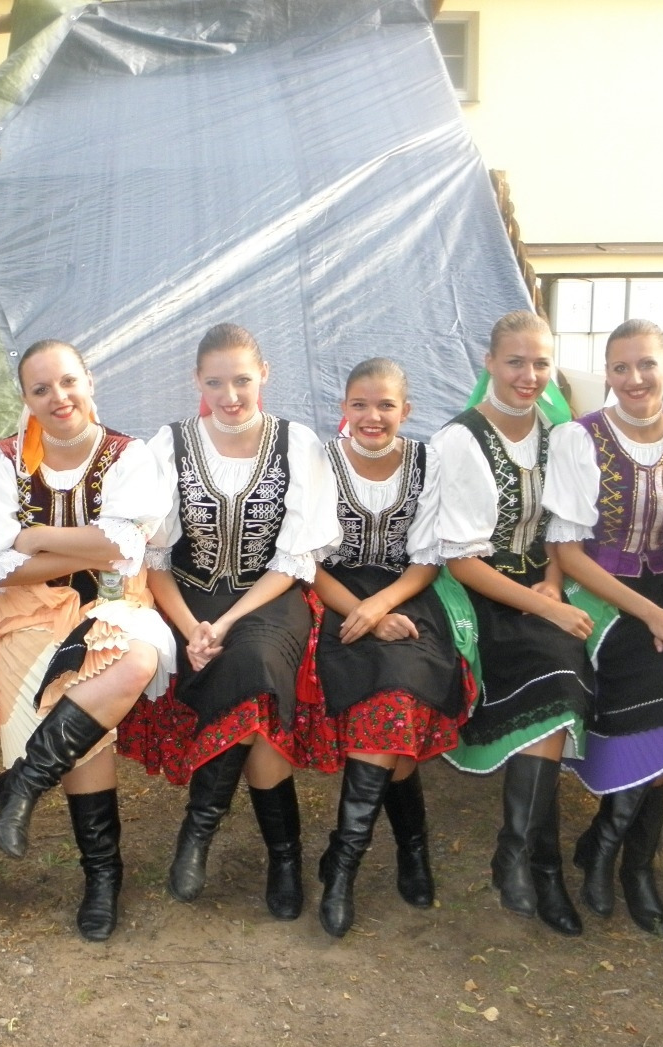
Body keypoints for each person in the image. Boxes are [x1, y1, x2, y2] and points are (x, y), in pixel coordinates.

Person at [120, 323, 340, 922]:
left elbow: (293, 561)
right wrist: (192, 625)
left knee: (255, 662)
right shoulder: (169, 446)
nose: (231, 395)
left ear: (264, 375)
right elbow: (154, 559)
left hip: (268, 597)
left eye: (242, 380)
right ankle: (284, 857)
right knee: (258, 713)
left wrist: (227, 622)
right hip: (186, 598)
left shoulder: (297, 444)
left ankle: (200, 827)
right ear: (197, 381)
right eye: (215, 383)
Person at [0, 339, 174, 942]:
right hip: (28, 612)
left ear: (89, 382)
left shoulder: (128, 456)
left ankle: (23, 784)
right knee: (82, 721)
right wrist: (84, 547)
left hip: (115, 603)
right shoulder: (2, 462)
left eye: (67, 382)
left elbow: (123, 549)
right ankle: (102, 876)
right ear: (26, 399)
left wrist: (34, 539)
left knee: (133, 660)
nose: (58, 397)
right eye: (41, 389)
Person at [543, 319, 663, 937]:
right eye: (621, 367)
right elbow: (568, 551)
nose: (635, 378)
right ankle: (616, 856)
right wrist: (652, 615)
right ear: (607, 374)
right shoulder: (579, 439)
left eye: (647, 364)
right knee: (660, 680)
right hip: (603, 593)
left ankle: (615, 850)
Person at [432, 311, 594, 937]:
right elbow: (461, 561)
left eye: (540, 363)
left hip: (542, 587)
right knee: (553, 670)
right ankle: (533, 859)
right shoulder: (462, 440)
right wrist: (545, 605)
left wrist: (553, 580)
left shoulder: (560, 434)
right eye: (516, 362)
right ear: (489, 364)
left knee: (571, 669)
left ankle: (525, 856)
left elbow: (561, 527)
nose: (529, 376)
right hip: (479, 595)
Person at [306, 358, 472, 937]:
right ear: (343, 409)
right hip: (334, 597)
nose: (371, 416)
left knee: (399, 699)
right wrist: (363, 613)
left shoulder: (428, 462)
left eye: (385, 405)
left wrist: (382, 606)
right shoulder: (321, 462)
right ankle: (408, 848)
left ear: (407, 410)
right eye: (360, 404)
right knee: (386, 711)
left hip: (407, 593)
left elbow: (426, 561)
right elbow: (309, 562)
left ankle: (344, 862)